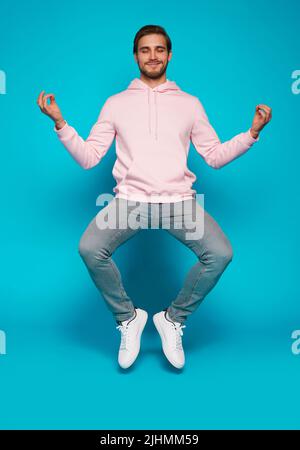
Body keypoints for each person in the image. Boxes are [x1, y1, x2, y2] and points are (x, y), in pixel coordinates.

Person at [37, 24, 272, 370]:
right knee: (89, 248)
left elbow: (214, 156)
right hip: (131, 203)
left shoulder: (189, 104)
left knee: (220, 254)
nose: (152, 56)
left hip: (178, 202)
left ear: (169, 54)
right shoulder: (116, 103)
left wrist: (251, 133)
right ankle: (128, 318)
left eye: (159, 49)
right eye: (145, 50)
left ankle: (173, 319)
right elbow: (89, 157)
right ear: (135, 56)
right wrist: (61, 123)